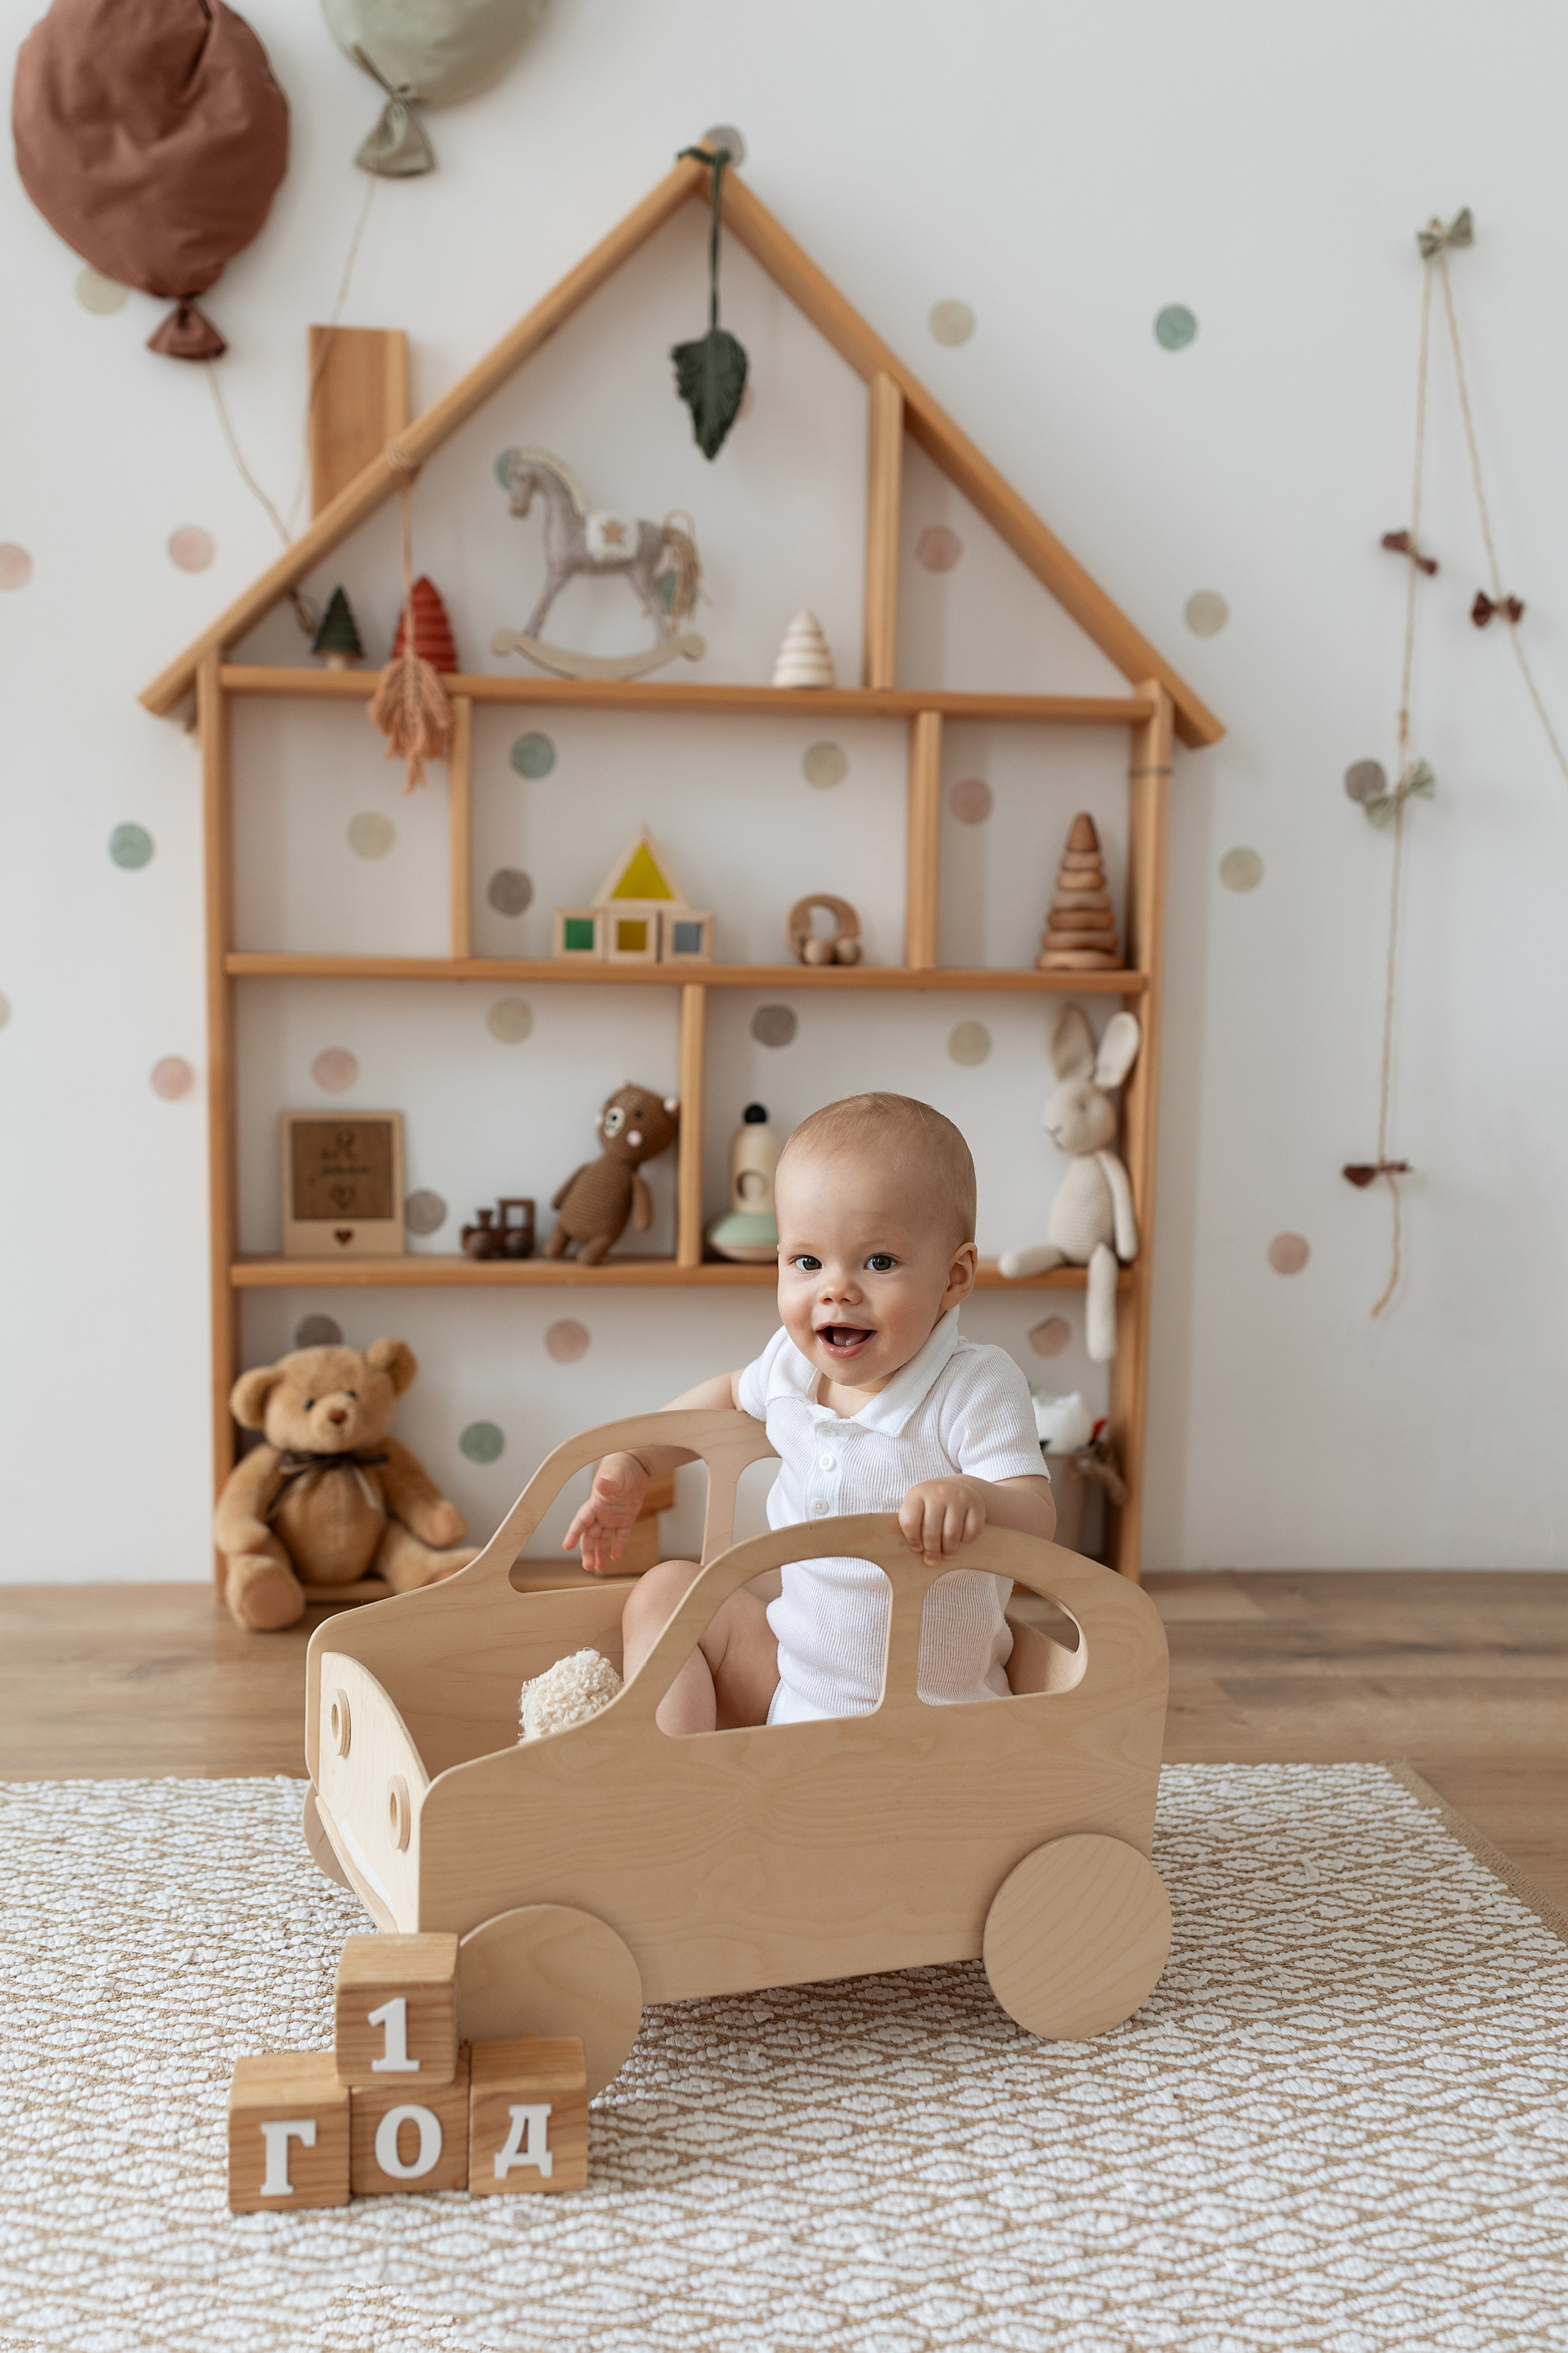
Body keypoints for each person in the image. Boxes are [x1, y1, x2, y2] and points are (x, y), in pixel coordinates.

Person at [562, 1092, 1054, 1734]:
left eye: (878, 1262)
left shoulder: (974, 1385)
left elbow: (1036, 1515)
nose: (836, 1288)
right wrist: (636, 1460)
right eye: (807, 1261)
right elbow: (723, 1396)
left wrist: (976, 1498)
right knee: (665, 1587)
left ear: (955, 1277)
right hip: (793, 1688)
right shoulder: (794, 1370)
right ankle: (677, 1786)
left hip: (926, 1720)